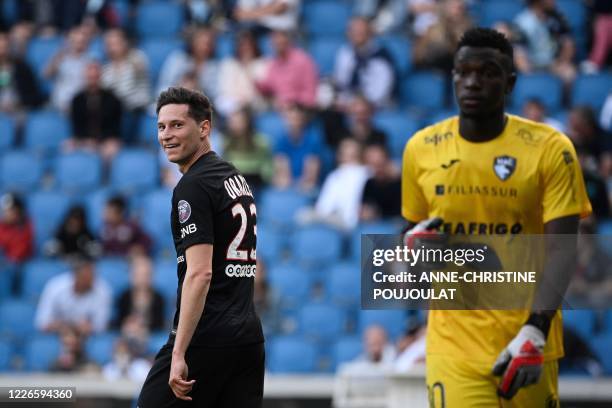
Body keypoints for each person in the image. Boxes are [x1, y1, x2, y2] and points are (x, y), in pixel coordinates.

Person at [401, 28, 591, 406]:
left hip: (526, 342)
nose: (472, 82)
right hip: (453, 347)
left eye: (487, 72)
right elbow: (414, 243)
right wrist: (413, 254)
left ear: (510, 83)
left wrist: (536, 329)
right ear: (453, 76)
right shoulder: (420, 149)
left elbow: (563, 250)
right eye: (463, 71)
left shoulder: (551, 150)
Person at [137, 87, 264, 407]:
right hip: (247, 337)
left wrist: (179, 352)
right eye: (161, 127)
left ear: (204, 128)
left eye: (177, 125)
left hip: (206, 336)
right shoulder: (233, 177)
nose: (166, 135)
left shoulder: (193, 186)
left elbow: (200, 273)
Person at [35, 256, 112, 336]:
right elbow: (42, 323)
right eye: (85, 276)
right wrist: (67, 327)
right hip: (56, 335)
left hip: (86, 337)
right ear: (76, 275)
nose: (91, 280)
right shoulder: (55, 287)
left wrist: (85, 328)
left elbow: (101, 327)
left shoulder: (102, 290)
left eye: (92, 274)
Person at [333, 17, 395, 108]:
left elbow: (380, 94)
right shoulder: (345, 52)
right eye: (353, 31)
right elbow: (341, 81)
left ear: (370, 33)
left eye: (361, 32)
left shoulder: (381, 57)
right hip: (349, 103)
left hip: (375, 106)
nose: (357, 35)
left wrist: (356, 104)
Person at [67, 61, 123, 161]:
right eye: (90, 77)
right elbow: (76, 126)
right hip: (83, 139)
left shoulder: (112, 99)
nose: (92, 81)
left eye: (95, 77)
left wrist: (99, 141)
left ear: (100, 77)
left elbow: (115, 126)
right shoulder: (77, 100)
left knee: (112, 149)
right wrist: (85, 141)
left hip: (106, 140)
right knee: (66, 147)